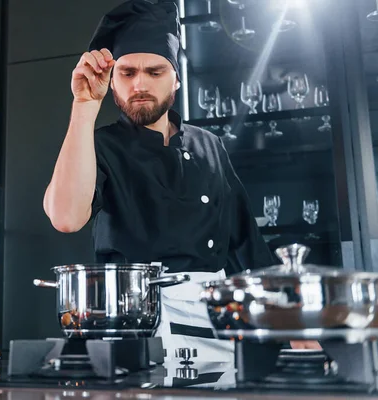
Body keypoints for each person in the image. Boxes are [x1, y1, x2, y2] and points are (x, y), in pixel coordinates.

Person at [43, 0, 319, 362]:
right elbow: (65, 217)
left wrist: (289, 320)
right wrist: (83, 106)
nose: (139, 84)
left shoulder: (210, 146)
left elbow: (248, 246)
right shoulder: (99, 144)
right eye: (126, 73)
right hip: (135, 326)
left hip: (217, 326)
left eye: (155, 71)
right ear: (111, 83)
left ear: (176, 80)